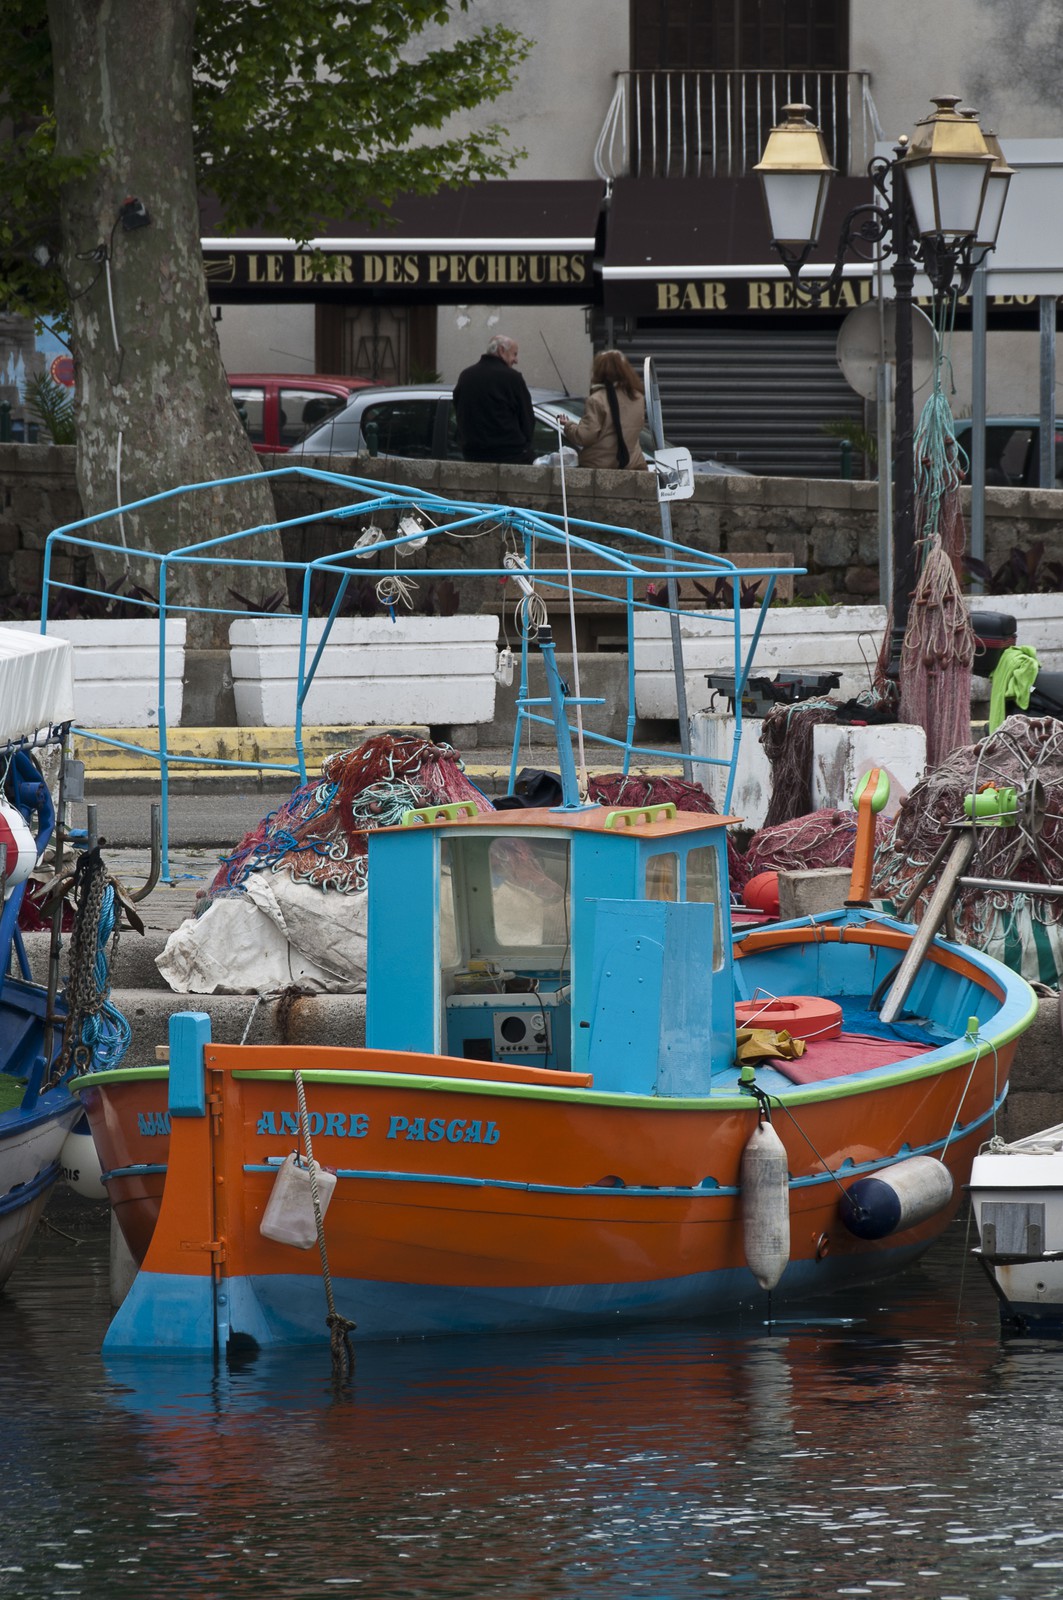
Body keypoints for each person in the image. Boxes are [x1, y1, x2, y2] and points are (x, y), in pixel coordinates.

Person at [452, 334, 536, 464]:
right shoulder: (512, 378)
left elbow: (459, 411)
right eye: (514, 354)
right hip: (511, 456)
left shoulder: (466, 376)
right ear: (501, 350)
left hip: (472, 455)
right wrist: (523, 446)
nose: (516, 360)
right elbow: (527, 418)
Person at [560, 350, 647, 470]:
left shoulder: (597, 399)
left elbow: (585, 436)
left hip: (599, 464)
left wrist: (568, 426)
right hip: (632, 463)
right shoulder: (637, 398)